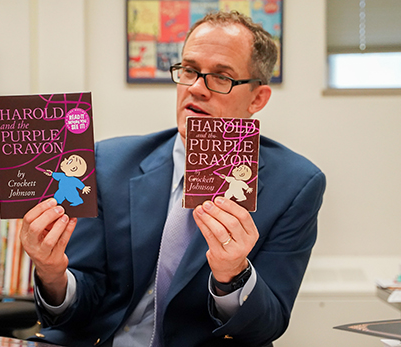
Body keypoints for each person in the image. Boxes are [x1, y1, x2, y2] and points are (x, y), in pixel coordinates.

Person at [21, 10, 326, 347]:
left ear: (257, 98)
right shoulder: (108, 163)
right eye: (190, 71)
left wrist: (233, 274)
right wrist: (51, 273)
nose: (196, 88)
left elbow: (266, 327)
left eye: (221, 77)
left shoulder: (296, 184)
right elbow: (80, 308)